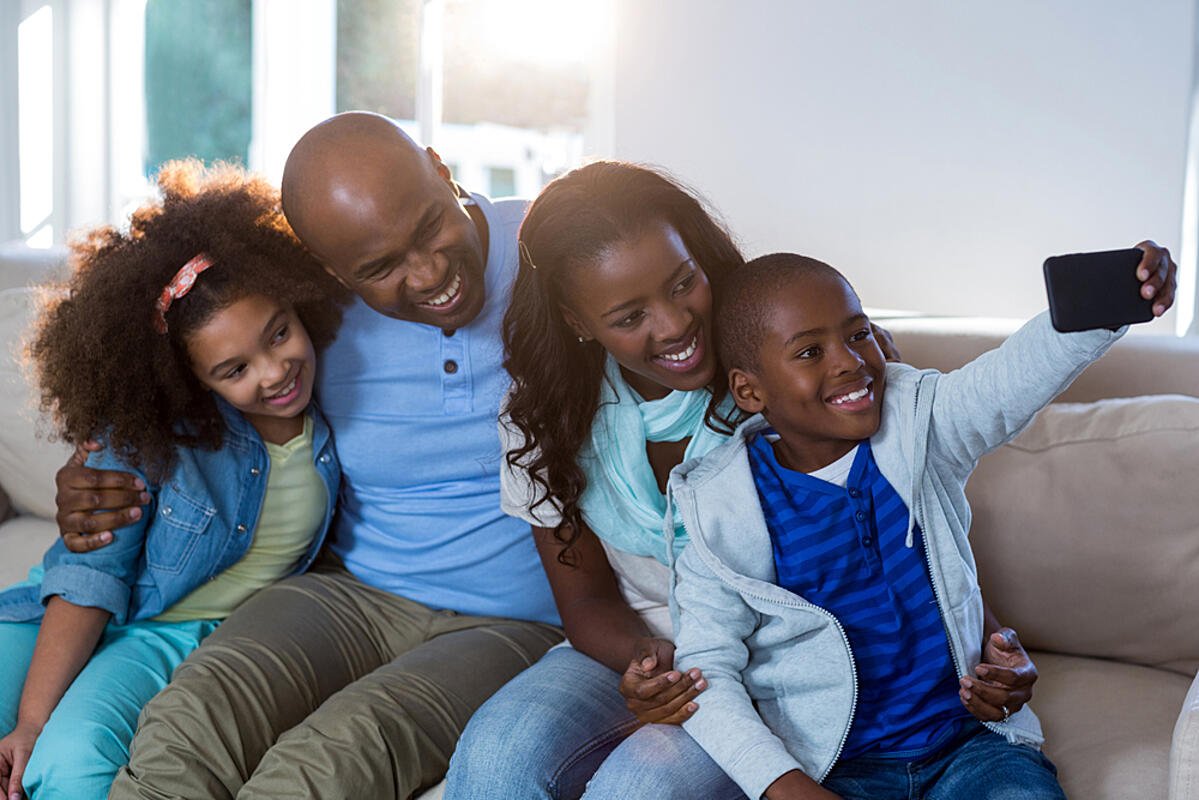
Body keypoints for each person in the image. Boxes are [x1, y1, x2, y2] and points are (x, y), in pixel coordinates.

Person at [444, 162, 1143, 798]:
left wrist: (986, 640)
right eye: (629, 317)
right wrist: (660, 670)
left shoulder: (803, 365)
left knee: (640, 786)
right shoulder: (541, 417)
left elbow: (908, 512)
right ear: (576, 320)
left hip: (777, 665)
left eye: (683, 282)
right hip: (647, 649)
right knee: (495, 758)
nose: (674, 323)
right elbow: (587, 599)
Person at [53, 113, 562, 800]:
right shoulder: (313, 314)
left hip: (509, 623)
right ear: (332, 271)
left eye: (428, 229)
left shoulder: (556, 254)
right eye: (379, 268)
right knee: (191, 720)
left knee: (330, 760)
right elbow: (190, 386)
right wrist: (95, 470)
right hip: (347, 593)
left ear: (440, 170)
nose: (429, 274)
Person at [668, 251, 1173, 799]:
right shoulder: (716, 510)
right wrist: (785, 786)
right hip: (832, 769)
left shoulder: (920, 425)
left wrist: (1100, 305)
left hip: (970, 748)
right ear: (750, 391)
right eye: (810, 351)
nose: (848, 362)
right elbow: (707, 672)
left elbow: (1004, 384)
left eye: (858, 334)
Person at [0, 160, 346, 800]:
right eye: (235, 368)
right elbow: (90, 577)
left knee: (66, 768)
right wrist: (28, 718)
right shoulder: (152, 434)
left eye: (279, 333)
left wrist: (36, 729)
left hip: (175, 633)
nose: (274, 373)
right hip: (71, 606)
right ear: (192, 378)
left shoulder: (338, 417)